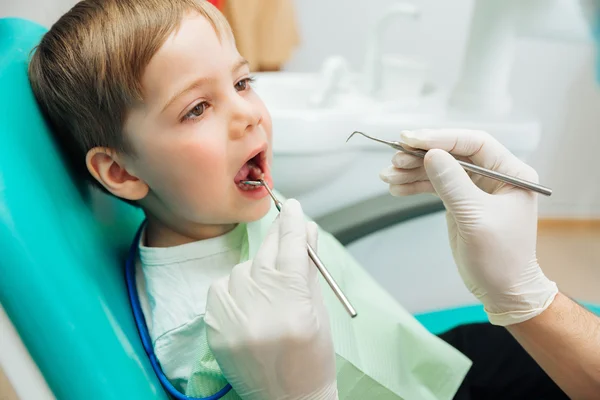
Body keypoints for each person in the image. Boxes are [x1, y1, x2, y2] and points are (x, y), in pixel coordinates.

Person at [28, 1, 476, 399]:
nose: (248, 114)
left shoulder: (216, 203)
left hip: (419, 363)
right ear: (122, 171)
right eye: (197, 108)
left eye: (242, 83)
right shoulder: (194, 335)